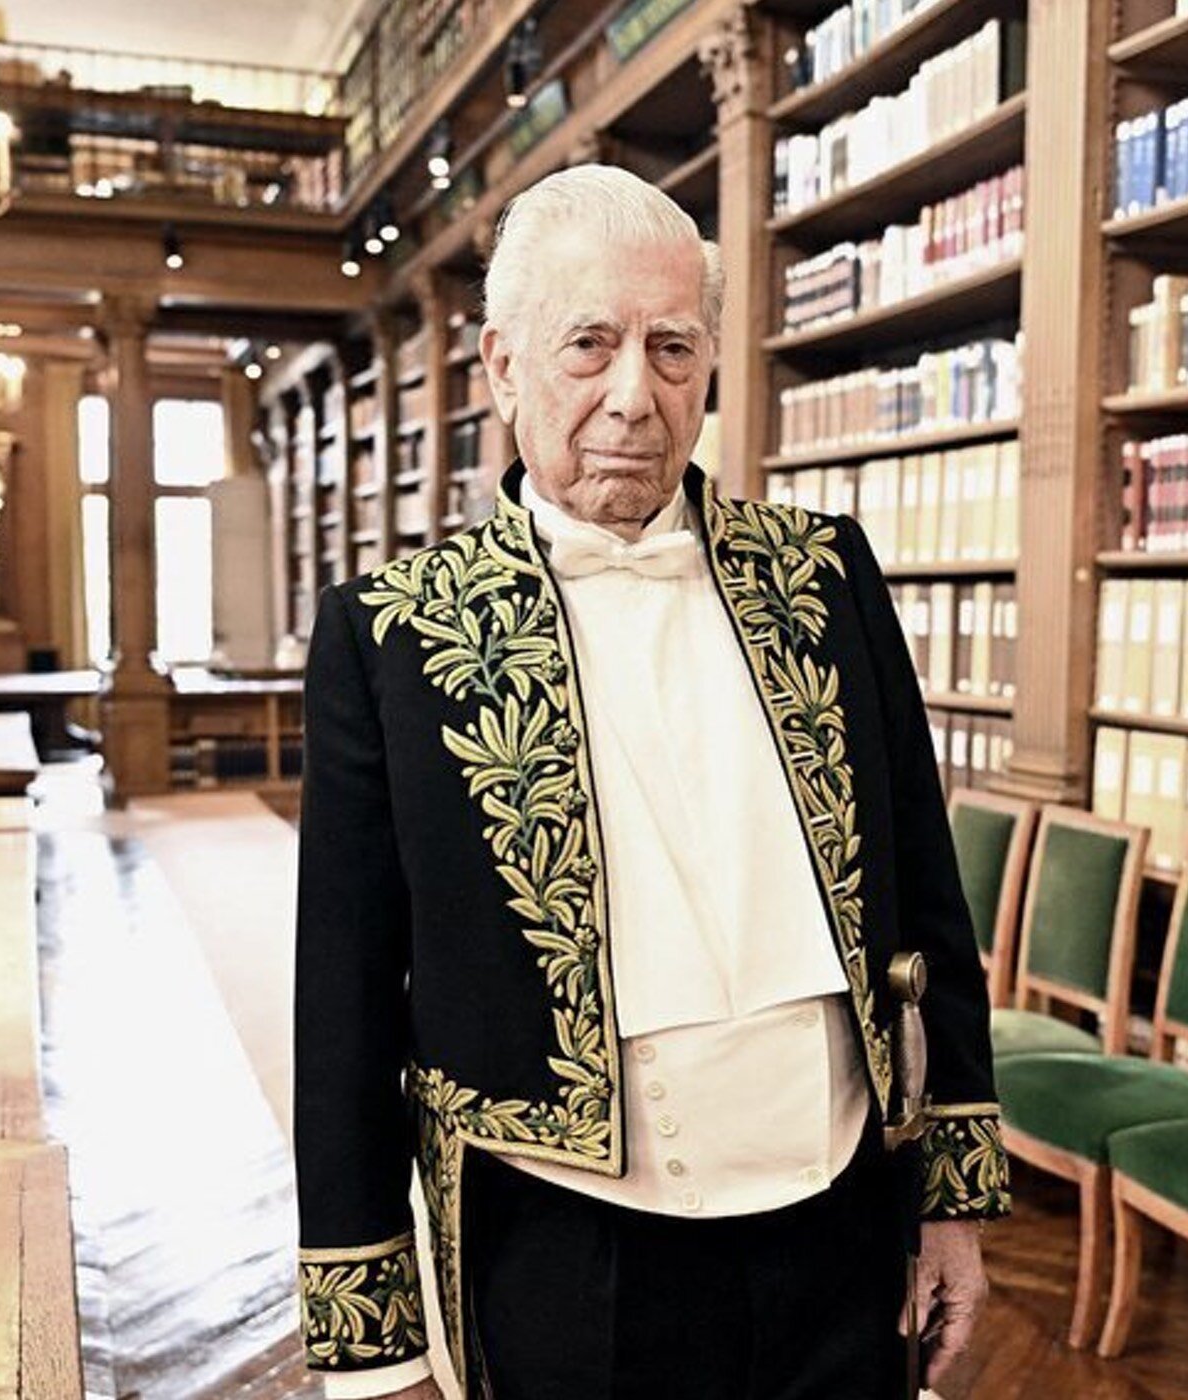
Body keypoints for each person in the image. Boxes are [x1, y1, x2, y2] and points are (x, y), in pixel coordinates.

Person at [295, 165, 1008, 1400]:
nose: (635, 395)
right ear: (502, 365)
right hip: (565, 1252)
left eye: (671, 347)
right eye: (589, 344)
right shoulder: (389, 633)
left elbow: (925, 900)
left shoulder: (824, 576)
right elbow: (345, 996)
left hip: (843, 1226)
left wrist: (949, 1198)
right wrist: (376, 1345)